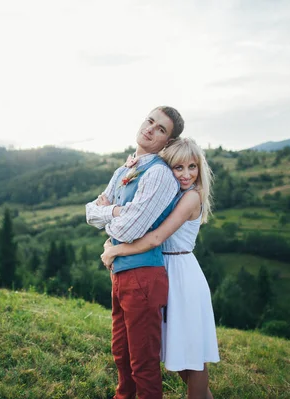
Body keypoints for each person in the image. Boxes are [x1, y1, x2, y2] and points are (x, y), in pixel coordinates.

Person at [101, 137, 220, 399]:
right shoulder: (171, 193)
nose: (187, 174)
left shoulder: (191, 198)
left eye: (192, 167)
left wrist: (115, 250)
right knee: (177, 353)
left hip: (182, 275)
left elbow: (155, 238)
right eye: (178, 168)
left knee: (192, 357)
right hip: (165, 271)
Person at [86, 106, 185, 399]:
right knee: (121, 352)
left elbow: (129, 230)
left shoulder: (159, 175)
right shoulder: (123, 171)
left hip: (143, 276)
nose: (150, 129)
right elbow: (90, 213)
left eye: (161, 129)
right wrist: (117, 212)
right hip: (121, 272)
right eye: (150, 121)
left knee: (143, 361)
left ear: (167, 142)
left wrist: (109, 210)